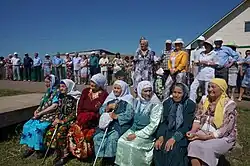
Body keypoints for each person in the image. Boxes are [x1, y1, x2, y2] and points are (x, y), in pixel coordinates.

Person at [187, 78, 237, 166]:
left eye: (213, 87)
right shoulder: (204, 100)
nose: (210, 89)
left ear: (221, 89)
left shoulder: (229, 104)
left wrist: (204, 137)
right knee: (193, 145)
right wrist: (193, 131)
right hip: (203, 132)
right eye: (209, 86)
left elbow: (225, 129)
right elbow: (197, 118)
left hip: (223, 137)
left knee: (207, 148)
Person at [62, 74, 109, 163]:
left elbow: (102, 111)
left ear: (100, 83)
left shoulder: (104, 95)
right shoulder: (85, 91)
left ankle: (84, 155)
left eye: (94, 82)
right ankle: (71, 153)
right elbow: (80, 106)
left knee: (87, 134)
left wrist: (92, 117)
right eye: (91, 81)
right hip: (81, 118)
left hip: (94, 121)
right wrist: (80, 116)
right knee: (72, 130)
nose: (91, 84)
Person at [115, 81, 163, 166]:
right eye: (145, 91)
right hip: (134, 129)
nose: (148, 93)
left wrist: (137, 135)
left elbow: (153, 125)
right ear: (140, 91)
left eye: (150, 90)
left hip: (147, 134)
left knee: (133, 145)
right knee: (121, 141)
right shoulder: (137, 101)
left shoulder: (156, 104)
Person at [153, 83, 196, 166]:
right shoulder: (167, 103)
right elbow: (164, 122)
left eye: (179, 93)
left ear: (185, 93)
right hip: (168, 131)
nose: (176, 95)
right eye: (174, 92)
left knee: (174, 149)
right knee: (158, 147)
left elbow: (187, 125)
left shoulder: (189, 104)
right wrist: (161, 136)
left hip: (182, 133)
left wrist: (174, 138)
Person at [93, 80, 134, 165]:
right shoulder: (110, 98)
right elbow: (101, 111)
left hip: (120, 125)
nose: (115, 90)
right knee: (98, 136)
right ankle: (103, 157)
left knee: (112, 138)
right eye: (114, 88)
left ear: (123, 89)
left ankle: (111, 160)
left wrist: (116, 116)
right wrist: (107, 108)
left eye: (118, 88)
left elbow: (129, 115)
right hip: (108, 124)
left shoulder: (129, 100)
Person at [20, 74, 59, 159]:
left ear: (53, 82)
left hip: (50, 115)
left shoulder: (56, 92)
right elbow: (43, 104)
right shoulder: (48, 91)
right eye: (45, 82)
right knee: (27, 125)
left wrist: (41, 113)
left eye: (48, 82)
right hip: (42, 114)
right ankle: (30, 147)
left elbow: (54, 106)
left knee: (37, 129)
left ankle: (39, 151)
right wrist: (37, 110)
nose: (46, 84)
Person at [45, 79, 81, 165]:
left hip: (70, 120)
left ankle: (65, 154)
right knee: (50, 131)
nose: (61, 88)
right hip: (60, 119)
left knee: (60, 132)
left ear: (69, 87)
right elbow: (58, 110)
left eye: (63, 86)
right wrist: (56, 119)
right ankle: (58, 151)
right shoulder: (61, 97)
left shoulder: (75, 98)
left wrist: (62, 121)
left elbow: (74, 113)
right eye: (60, 86)